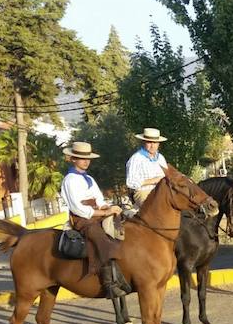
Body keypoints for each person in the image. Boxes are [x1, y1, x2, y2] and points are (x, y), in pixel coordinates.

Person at [60, 142, 131, 299]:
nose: (86, 161)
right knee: (100, 237)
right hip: (82, 219)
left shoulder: (90, 179)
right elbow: (79, 209)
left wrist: (110, 208)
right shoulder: (69, 180)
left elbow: (99, 200)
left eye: (88, 158)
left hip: (96, 214)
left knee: (122, 226)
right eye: (81, 158)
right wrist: (104, 211)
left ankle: (124, 272)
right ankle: (109, 284)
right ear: (73, 159)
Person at [126, 127, 169, 208]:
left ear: (159, 144)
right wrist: (154, 180)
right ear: (144, 142)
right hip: (143, 192)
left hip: (162, 192)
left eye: (155, 143)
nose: (152, 146)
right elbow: (130, 182)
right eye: (149, 142)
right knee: (154, 209)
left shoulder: (161, 158)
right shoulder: (136, 159)